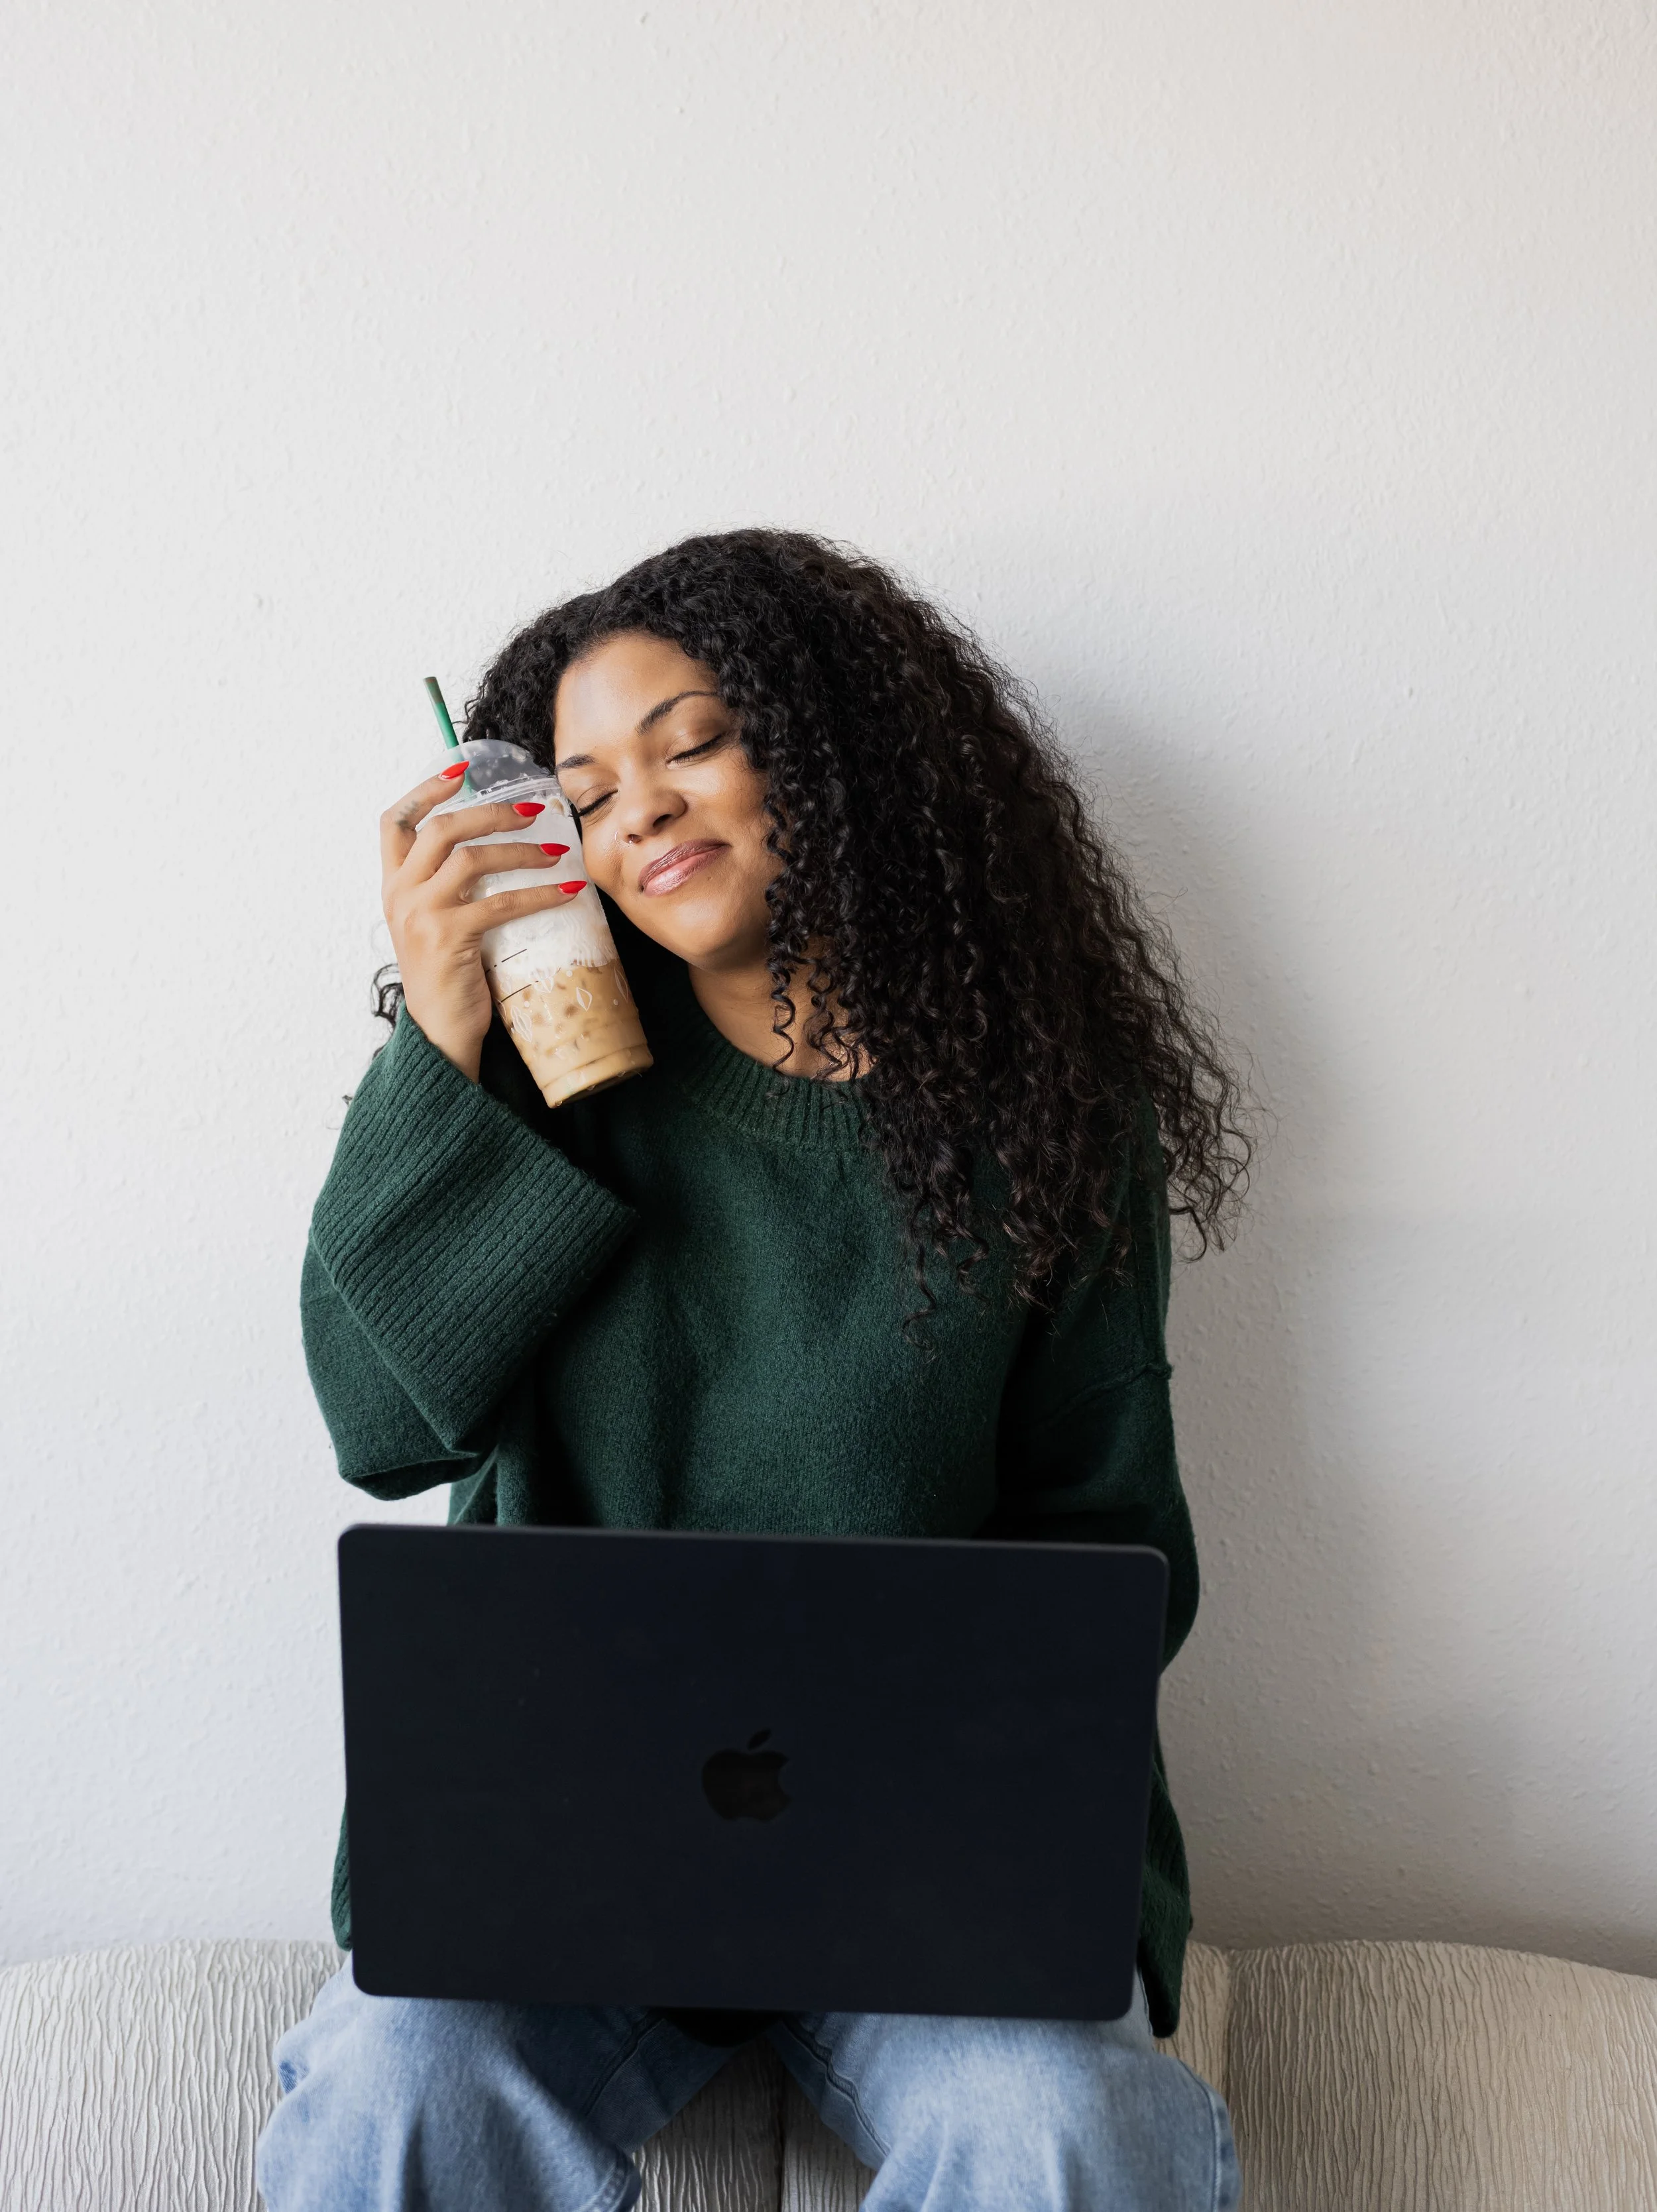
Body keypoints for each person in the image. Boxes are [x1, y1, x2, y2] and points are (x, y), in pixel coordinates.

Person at [257, 529, 1249, 2212]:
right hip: (539, 1876)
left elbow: (1111, 1560)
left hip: (935, 1884)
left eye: (691, 740)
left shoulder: (1047, 1126)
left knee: (1058, 2129)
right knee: (396, 2080)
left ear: (841, 748)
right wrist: (437, 1032)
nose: (634, 807)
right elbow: (374, 1421)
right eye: (578, 788)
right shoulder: (532, 1078)